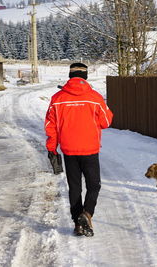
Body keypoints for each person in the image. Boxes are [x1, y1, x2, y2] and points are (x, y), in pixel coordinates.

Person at [44, 62, 113, 237]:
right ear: (86, 76)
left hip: (68, 150)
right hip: (90, 149)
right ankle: (87, 214)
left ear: (70, 75)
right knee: (94, 185)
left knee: (74, 188)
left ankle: (77, 223)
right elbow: (106, 121)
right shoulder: (95, 97)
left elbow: (50, 126)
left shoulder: (57, 99)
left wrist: (52, 148)